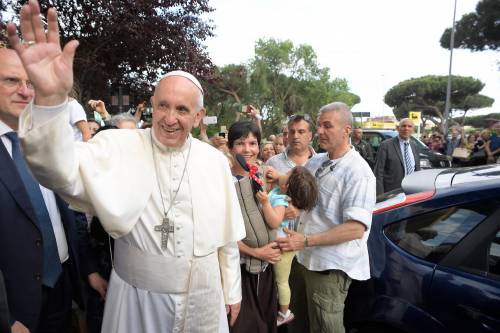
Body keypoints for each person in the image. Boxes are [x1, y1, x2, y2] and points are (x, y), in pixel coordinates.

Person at [8, 3, 245, 332]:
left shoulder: (216, 162)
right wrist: (49, 103)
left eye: (181, 109)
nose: (170, 118)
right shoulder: (118, 145)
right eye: (162, 105)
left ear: (199, 116)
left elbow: (227, 240)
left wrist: (232, 290)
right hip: (137, 300)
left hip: (202, 298)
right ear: (152, 106)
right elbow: (57, 170)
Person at [0, 44, 84, 333]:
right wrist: (6, 318)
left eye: (30, 83)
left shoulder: (49, 141)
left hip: (62, 287)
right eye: (11, 80)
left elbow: (71, 210)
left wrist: (88, 271)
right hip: (16, 308)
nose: (25, 91)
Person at [277, 102, 376, 333]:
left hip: (329, 269)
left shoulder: (358, 172)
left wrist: (305, 240)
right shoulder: (317, 161)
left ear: (346, 130)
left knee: (325, 328)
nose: (320, 131)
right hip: (303, 260)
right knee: (297, 324)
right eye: (319, 125)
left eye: (327, 126)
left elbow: (355, 229)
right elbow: (302, 195)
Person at [228, 121, 281, 333]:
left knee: (265, 323)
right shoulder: (222, 179)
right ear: (231, 147)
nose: (247, 149)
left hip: (266, 269)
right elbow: (219, 232)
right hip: (237, 269)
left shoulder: (266, 175)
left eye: (253, 143)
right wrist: (254, 251)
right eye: (241, 143)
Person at [255, 166, 318, 327]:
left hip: (283, 248)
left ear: (287, 186)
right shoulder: (279, 192)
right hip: (282, 247)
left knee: (281, 281)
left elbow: (274, 221)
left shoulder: (281, 200)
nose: (283, 174)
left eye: (287, 175)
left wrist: (264, 203)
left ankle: (285, 312)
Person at [374, 118, 421, 195]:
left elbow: (417, 170)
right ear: (398, 128)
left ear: (413, 129)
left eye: (409, 126)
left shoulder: (415, 146)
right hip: (391, 192)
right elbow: (378, 172)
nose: (406, 128)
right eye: (403, 126)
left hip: (411, 191)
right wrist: (380, 195)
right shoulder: (386, 145)